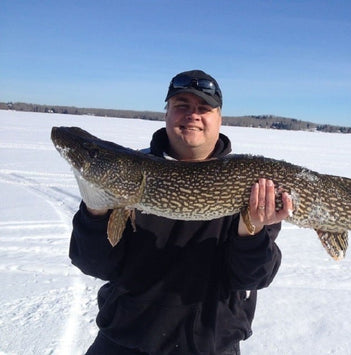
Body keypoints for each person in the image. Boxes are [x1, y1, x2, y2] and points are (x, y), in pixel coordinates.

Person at [69, 69, 293, 354]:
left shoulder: (251, 182)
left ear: (219, 119)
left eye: (203, 109)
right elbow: (94, 265)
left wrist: (251, 231)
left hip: (210, 345)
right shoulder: (128, 175)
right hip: (124, 340)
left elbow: (253, 279)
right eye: (182, 106)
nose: (192, 115)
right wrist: (96, 212)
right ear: (167, 114)